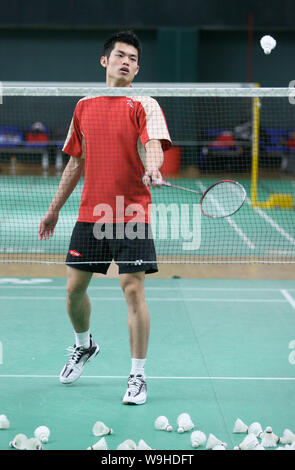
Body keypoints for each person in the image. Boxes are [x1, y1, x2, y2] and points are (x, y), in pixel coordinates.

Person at [38, 30, 172, 405]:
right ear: (105, 61)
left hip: (131, 210)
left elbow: (154, 145)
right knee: (73, 290)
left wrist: (152, 167)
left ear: (137, 68)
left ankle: (137, 376)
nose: (126, 61)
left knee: (132, 288)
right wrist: (53, 210)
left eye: (132, 58)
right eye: (120, 55)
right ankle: (84, 345)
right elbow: (75, 161)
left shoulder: (144, 103)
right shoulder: (84, 105)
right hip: (91, 212)